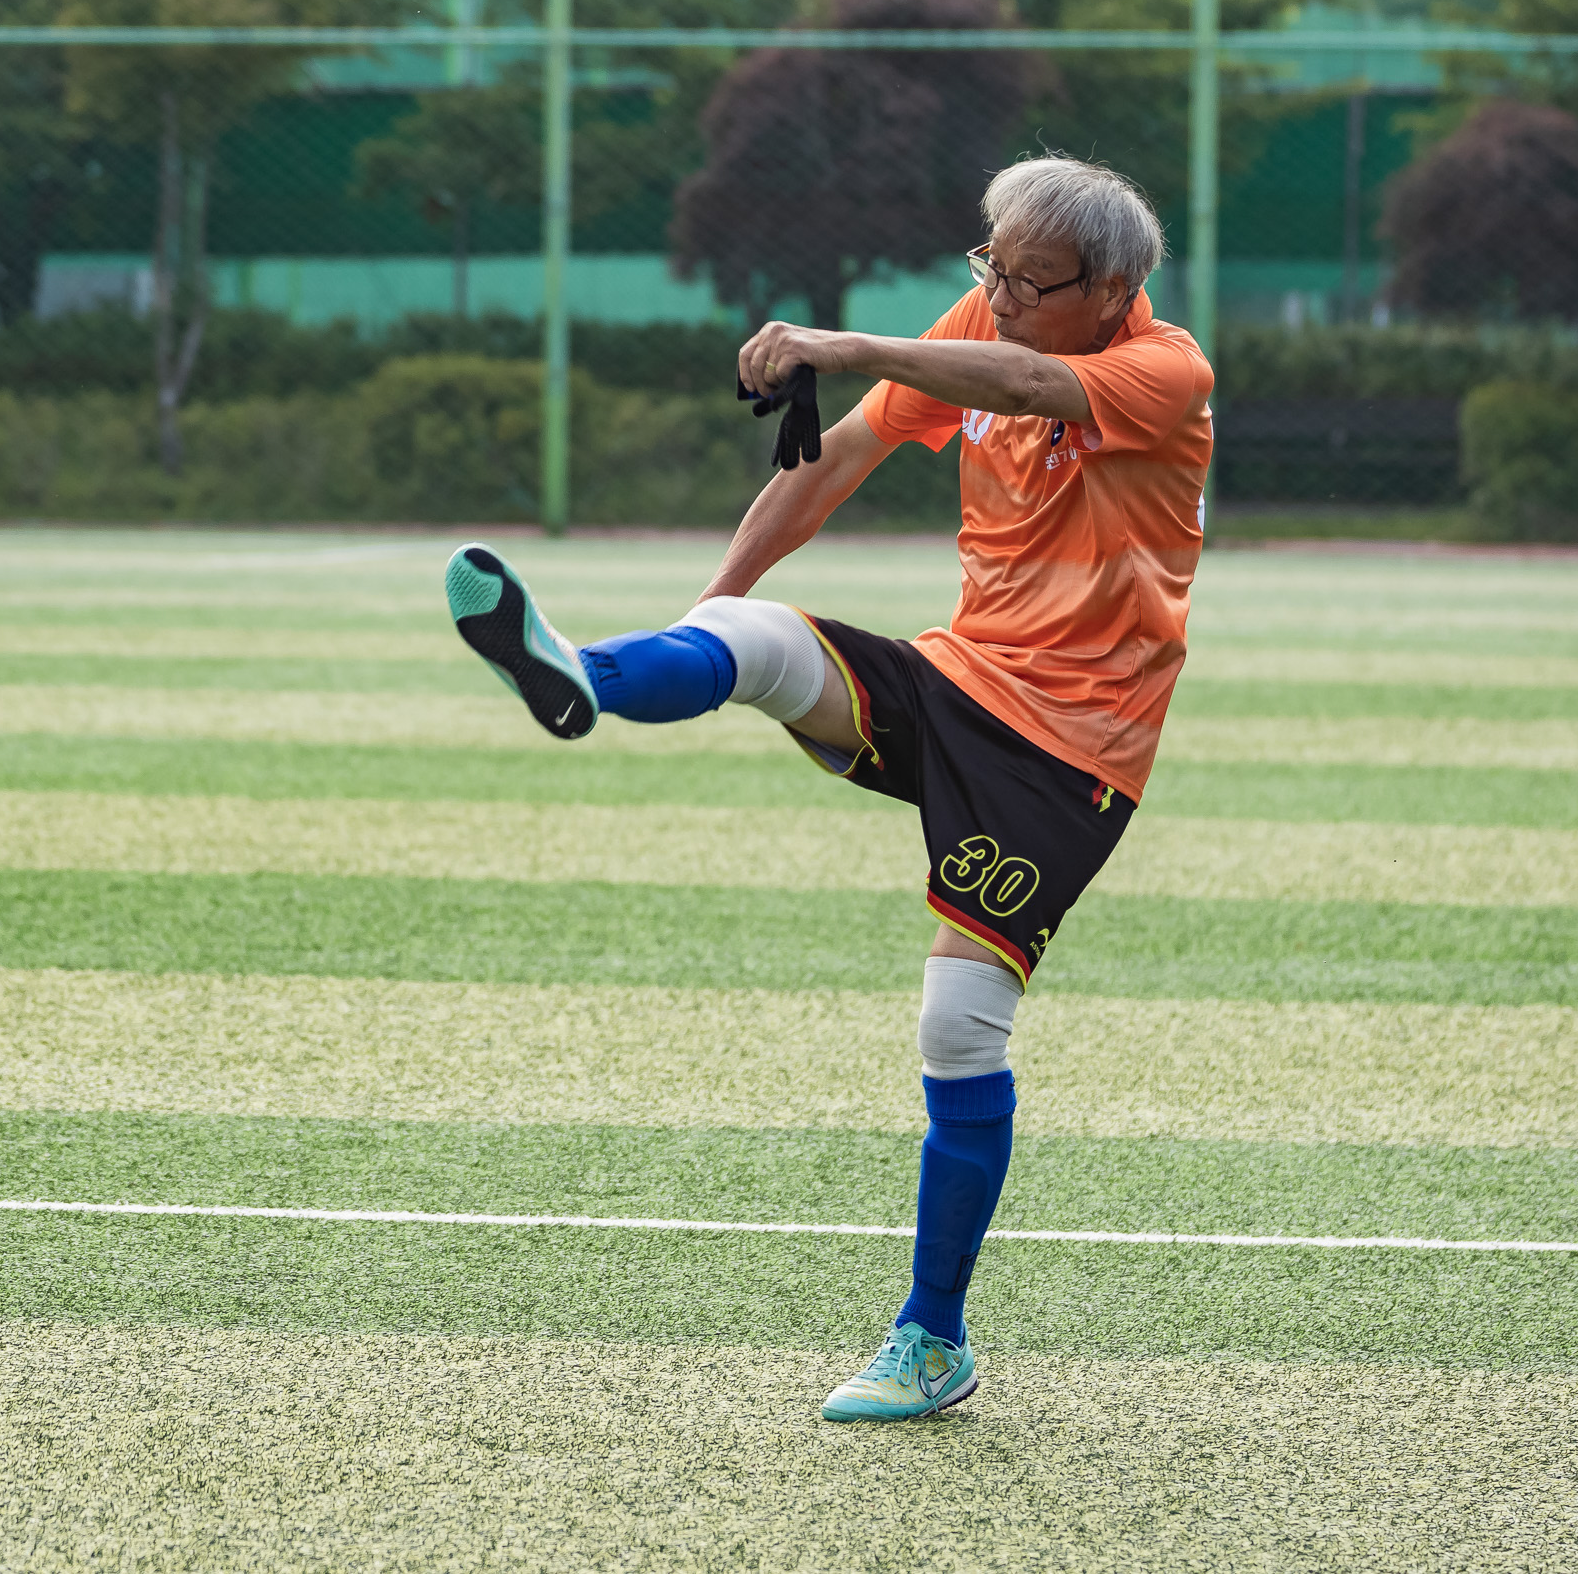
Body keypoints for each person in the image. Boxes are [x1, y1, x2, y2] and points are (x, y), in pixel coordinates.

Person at [444, 155, 1213, 1421]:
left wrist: (851, 341)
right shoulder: (986, 321)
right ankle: (589, 668)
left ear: (1113, 288)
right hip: (957, 676)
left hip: (1070, 754)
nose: (1001, 297)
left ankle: (933, 1337)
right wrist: (710, 599)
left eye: (1031, 280)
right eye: (989, 267)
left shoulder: (1163, 371)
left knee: (957, 1028)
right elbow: (834, 458)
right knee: (763, 643)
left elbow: (1024, 381)